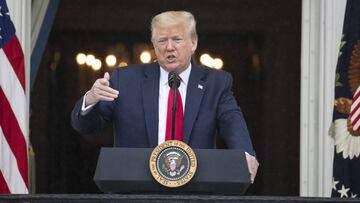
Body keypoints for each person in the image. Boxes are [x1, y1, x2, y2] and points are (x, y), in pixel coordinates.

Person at [71, 11, 259, 183]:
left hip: (196, 189)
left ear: (193, 43)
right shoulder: (125, 80)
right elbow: (85, 126)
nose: (169, 47)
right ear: (153, 44)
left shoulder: (216, 83)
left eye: (177, 40)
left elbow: (232, 122)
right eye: (162, 40)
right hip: (135, 190)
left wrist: (245, 154)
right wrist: (91, 99)